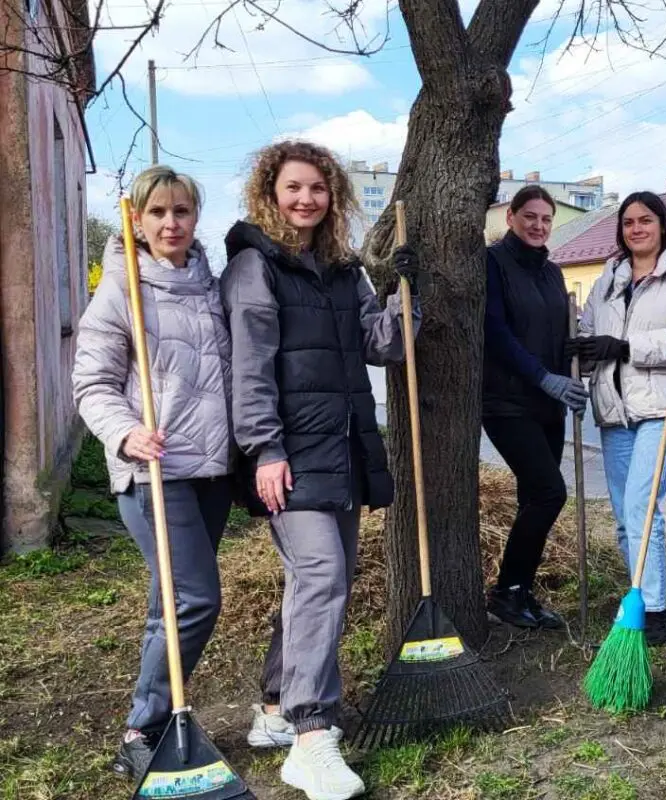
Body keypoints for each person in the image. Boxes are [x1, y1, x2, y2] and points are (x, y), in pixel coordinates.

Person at [221, 140, 420, 800]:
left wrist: (400, 294)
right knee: (323, 577)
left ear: (332, 196)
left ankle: (277, 709)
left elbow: (378, 343)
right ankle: (311, 734)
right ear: (270, 192)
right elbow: (248, 369)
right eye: (293, 187)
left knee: (310, 583)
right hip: (290, 453)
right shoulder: (255, 266)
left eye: (317, 189)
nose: (306, 199)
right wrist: (264, 450)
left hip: (341, 447)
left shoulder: (340, 268)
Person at [72, 166, 234, 782]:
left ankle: (152, 721)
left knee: (167, 605)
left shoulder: (209, 285)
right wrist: (124, 432)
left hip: (211, 469)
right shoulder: (121, 290)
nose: (171, 223)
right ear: (136, 221)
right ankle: (144, 724)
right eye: (158, 212)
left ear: (196, 219)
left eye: (182, 212)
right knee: (196, 598)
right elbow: (91, 383)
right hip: (153, 472)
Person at [567, 192, 666, 646]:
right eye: (628, 222)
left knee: (641, 506)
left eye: (644, 220)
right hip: (614, 409)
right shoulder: (610, 277)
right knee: (626, 517)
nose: (635, 229)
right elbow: (592, 331)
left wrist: (625, 346)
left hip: (663, 407)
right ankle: (638, 598)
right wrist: (583, 350)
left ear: (662, 224)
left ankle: (653, 609)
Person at [482, 185, 586, 630]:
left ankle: (522, 592)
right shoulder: (492, 264)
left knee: (533, 497)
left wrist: (572, 380)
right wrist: (544, 377)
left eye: (546, 219)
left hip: (549, 404)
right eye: (530, 216)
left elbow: (559, 334)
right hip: (506, 401)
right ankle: (505, 590)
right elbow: (496, 333)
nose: (538, 225)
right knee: (550, 492)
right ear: (511, 217)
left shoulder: (551, 273)